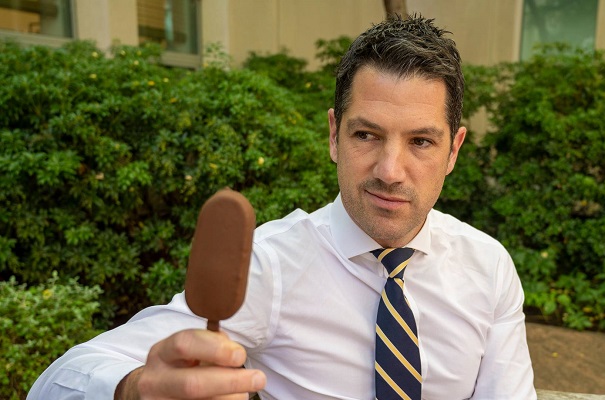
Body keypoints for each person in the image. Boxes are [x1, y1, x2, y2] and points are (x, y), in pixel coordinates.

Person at [29, 15, 535, 399]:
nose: (390, 170)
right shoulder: (269, 265)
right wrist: (136, 388)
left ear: (454, 151)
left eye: (421, 141)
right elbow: (60, 379)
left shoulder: (488, 267)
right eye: (366, 134)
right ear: (334, 135)